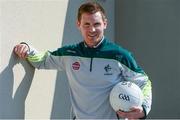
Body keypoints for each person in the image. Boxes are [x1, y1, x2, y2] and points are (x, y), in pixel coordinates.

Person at [14, 1, 152, 119]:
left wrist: (143, 110)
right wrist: (27, 48)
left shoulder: (120, 55)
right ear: (78, 24)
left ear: (105, 24)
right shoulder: (69, 53)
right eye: (86, 24)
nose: (92, 29)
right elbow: (43, 60)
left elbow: (144, 82)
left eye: (97, 24)